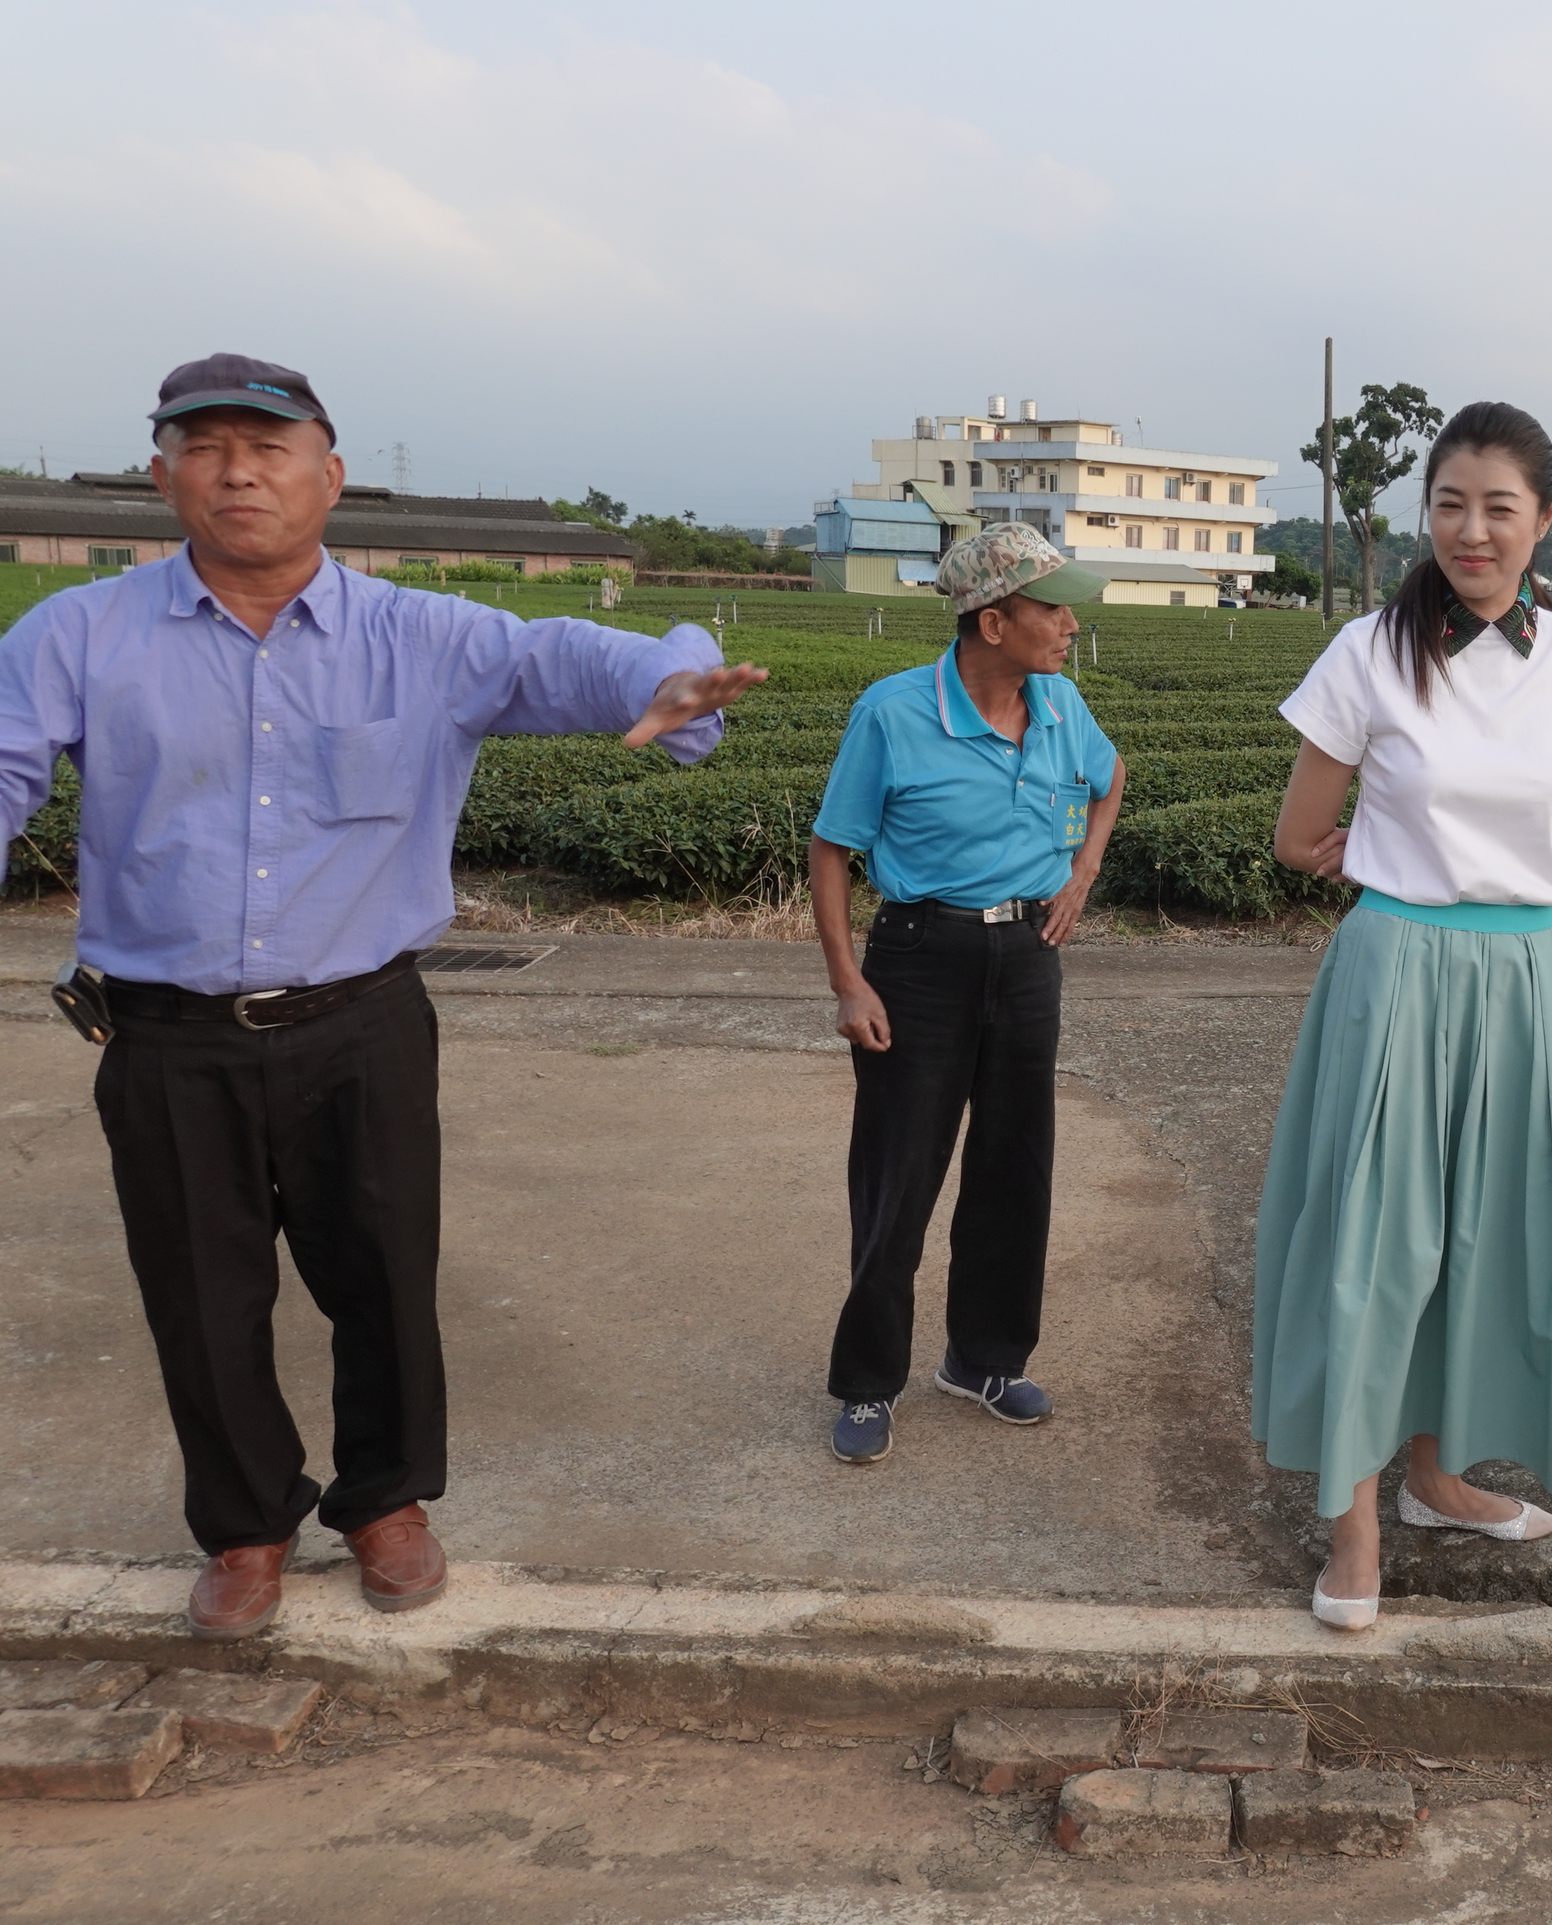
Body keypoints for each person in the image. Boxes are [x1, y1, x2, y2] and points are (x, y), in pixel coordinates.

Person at [0, 354, 764, 1638]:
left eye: (269, 448)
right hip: (168, 1033)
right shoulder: (76, 635)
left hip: (360, 1023)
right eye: (205, 448)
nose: (238, 472)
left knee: (384, 1276)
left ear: (330, 476)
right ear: (163, 476)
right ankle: (245, 1526)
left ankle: (387, 1502)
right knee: (200, 1293)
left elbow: (587, 655)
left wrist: (674, 679)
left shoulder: (427, 636)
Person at [1254, 401, 1552, 1630]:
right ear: (1425, 512)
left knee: (1488, 1240)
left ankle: (1435, 1477)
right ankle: (1354, 1521)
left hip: (1523, 976)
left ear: (1544, 519)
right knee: (1373, 1247)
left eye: (1498, 507)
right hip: (1395, 972)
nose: (1471, 530)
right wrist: (1388, 864)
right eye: (1449, 504)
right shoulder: (1367, 651)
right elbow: (1297, 833)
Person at [808, 524, 1126, 1466]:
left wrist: (1082, 874)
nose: (1070, 626)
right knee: (898, 1174)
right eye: (1053, 609)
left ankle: (984, 1359)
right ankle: (869, 1381)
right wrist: (848, 982)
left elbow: (1110, 781)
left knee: (1014, 1166)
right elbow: (831, 848)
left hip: (1028, 956)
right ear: (994, 621)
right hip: (921, 958)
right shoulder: (893, 713)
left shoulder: (1062, 704)